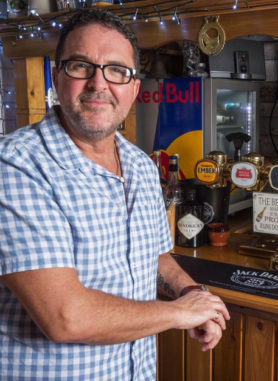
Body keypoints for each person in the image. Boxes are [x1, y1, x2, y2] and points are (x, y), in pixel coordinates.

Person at [0, 9, 230, 379]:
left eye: (117, 71)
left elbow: (154, 254)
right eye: (80, 66)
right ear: (57, 78)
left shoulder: (139, 165)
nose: (98, 83)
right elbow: (66, 317)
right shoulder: (16, 166)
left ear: (134, 89)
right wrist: (181, 313)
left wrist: (188, 291)